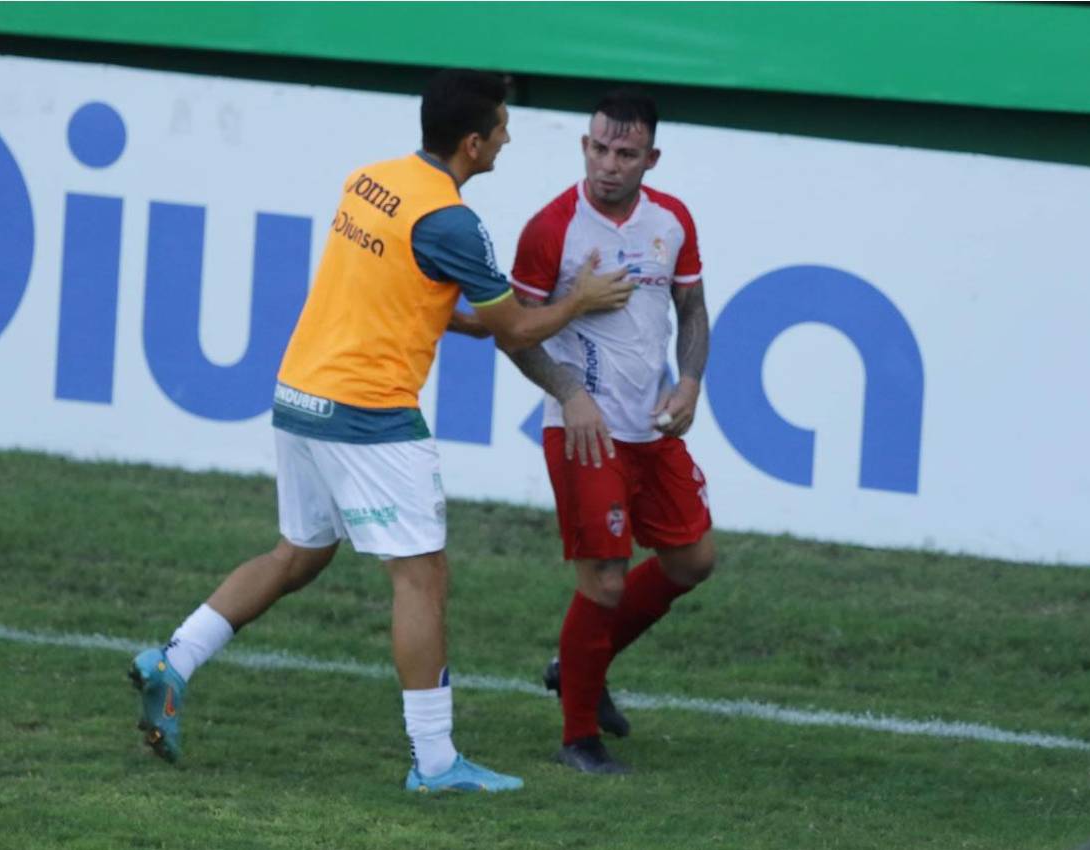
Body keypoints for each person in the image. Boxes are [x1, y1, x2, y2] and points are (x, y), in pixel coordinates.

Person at [128, 69, 633, 794]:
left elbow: (403, 287)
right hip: (369, 411)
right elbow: (514, 327)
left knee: (298, 554)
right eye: (500, 127)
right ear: (471, 142)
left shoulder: (372, 179)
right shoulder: (453, 222)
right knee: (420, 576)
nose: (507, 138)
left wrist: (460, 317)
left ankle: (174, 660)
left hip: (300, 394)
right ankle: (434, 763)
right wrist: (578, 300)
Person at [508, 88, 717, 774]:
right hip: (583, 430)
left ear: (650, 158)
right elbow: (514, 333)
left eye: (626, 153)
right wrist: (570, 394)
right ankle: (577, 740)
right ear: (583, 146)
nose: (609, 163)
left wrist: (689, 382)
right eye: (599, 147)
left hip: (651, 428)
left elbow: (692, 310)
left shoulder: (673, 220)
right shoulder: (551, 229)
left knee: (693, 562)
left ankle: (577, 667)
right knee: (603, 580)